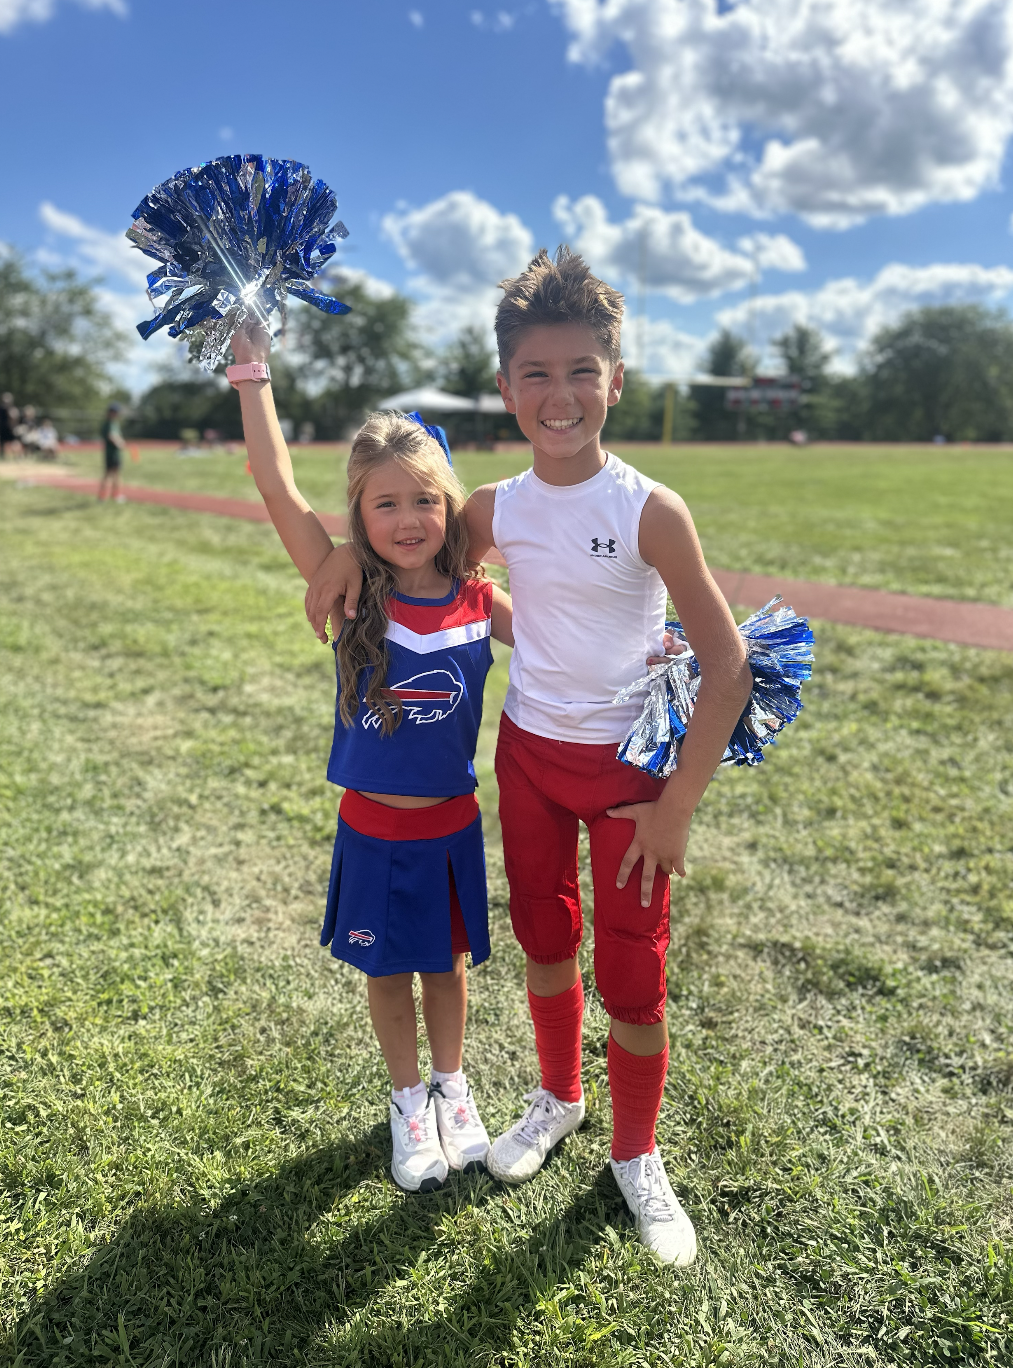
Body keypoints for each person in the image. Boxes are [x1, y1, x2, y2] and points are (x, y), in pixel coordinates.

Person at [303, 248, 753, 1264]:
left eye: (582, 371)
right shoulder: (488, 509)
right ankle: (558, 1097)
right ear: (505, 388)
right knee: (545, 942)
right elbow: (418, 565)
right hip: (528, 762)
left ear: (616, 380)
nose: (560, 395)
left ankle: (636, 1154)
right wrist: (336, 556)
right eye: (536, 374)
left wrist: (677, 807)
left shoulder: (651, 509)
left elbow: (728, 667)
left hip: (631, 776)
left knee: (632, 975)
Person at [228, 317, 516, 1194]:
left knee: (447, 969)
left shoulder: (481, 599)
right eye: (383, 504)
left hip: (451, 826)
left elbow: (571, 630)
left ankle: (453, 1089)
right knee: (388, 973)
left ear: (449, 505)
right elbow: (276, 485)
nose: (406, 519)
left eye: (424, 499)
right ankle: (407, 1101)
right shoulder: (349, 589)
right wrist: (252, 370)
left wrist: (660, 646)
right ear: (357, 514)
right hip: (374, 831)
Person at [99, 403, 126, 501]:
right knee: (114, 475)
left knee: (110, 474)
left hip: (112, 453)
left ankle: (103, 496)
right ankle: (115, 495)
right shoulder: (110, 424)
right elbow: (111, 436)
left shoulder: (113, 423)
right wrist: (120, 443)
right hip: (112, 453)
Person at [0, 392, 20, 459]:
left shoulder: (10, 408)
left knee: (13, 442)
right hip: (3, 427)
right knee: (3, 442)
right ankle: (2, 456)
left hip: (9, 428)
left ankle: (17, 456)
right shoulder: (1, 408)